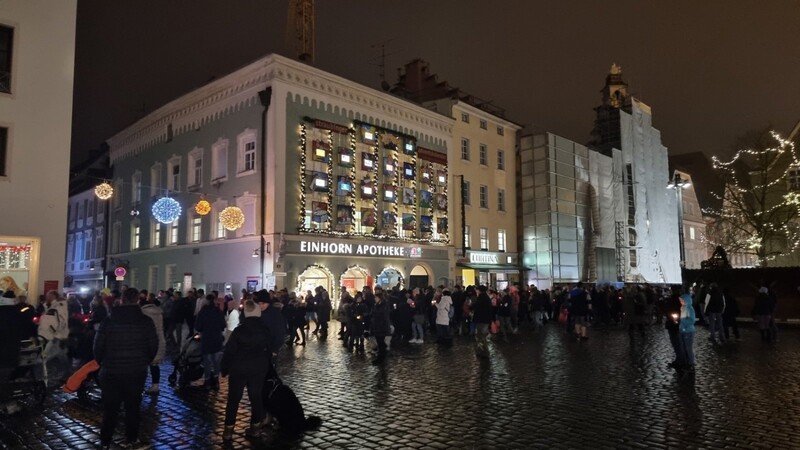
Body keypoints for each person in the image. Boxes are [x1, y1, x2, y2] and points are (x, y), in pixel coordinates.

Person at [94, 287, 158, 449]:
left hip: (111, 371)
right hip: (136, 371)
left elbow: (98, 347)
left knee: (110, 409)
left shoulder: (108, 321)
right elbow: (153, 346)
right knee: (133, 408)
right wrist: (145, 360)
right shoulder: (145, 322)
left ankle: (105, 441)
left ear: (121, 300)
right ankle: (131, 439)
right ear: (138, 300)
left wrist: (103, 362)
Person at [221, 300, 271, 442]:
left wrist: (224, 368)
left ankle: (228, 430)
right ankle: (255, 428)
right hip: (258, 368)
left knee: (234, 399)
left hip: (239, 368)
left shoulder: (239, 330)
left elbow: (229, 352)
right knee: (256, 397)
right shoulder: (264, 329)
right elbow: (270, 347)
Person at [193, 294, 226, 389]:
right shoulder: (218, 312)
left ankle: (207, 381)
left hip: (206, 338)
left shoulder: (203, 312)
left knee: (207, 361)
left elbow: (198, 326)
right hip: (217, 338)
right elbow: (223, 325)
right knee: (216, 361)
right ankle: (216, 380)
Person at [38, 290, 70, 384]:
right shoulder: (50, 306)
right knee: (61, 356)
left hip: (56, 337)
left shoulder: (59, 306)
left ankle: (45, 376)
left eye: (48, 296)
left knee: (47, 356)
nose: (46, 297)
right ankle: (66, 373)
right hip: (51, 336)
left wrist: (57, 334)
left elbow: (62, 321)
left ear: (53, 296)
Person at [140, 294, 166, 394]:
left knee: (143, 366)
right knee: (154, 365)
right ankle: (155, 385)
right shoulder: (159, 313)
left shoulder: (143, 313)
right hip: (159, 339)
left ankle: (141, 386)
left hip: (147, 341)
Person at [256, 290, 287, 356]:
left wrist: (275, 350)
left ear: (268, 303)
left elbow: (280, 332)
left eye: (263, 303)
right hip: (259, 349)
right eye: (259, 303)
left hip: (270, 349)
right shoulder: (257, 313)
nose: (261, 306)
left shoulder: (275, 313)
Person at [677, 288, 696, 376]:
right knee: (684, 348)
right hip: (683, 330)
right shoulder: (683, 308)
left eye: (682, 301)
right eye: (680, 301)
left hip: (688, 331)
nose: (681, 302)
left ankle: (691, 364)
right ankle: (686, 363)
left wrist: (682, 323)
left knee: (688, 348)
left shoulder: (689, 309)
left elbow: (691, 320)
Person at [664, 286, 684, 370]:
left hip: (675, 322)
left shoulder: (678, 299)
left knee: (677, 342)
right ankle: (679, 358)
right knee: (675, 342)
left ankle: (680, 359)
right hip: (672, 322)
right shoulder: (673, 299)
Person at [471, 285, 493, 358]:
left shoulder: (482, 298)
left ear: (479, 290)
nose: (476, 291)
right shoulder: (485, 297)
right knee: (480, 335)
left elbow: (477, 306)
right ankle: (482, 351)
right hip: (484, 319)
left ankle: (484, 352)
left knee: (481, 336)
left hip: (482, 319)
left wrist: (471, 306)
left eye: (477, 290)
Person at [370, 291, 391, 365]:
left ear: (380, 298)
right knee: (380, 343)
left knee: (381, 343)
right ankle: (381, 357)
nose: (375, 299)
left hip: (381, 327)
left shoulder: (383, 306)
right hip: (377, 327)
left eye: (376, 297)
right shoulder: (377, 305)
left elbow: (384, 317)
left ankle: (381, 358)